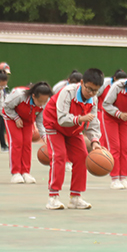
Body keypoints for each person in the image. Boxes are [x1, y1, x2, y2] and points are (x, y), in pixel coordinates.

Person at [43, 68, 104, 210]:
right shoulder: (67, 93)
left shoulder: (93, 99)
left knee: (82, 157)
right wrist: (80, 119)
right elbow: (62, 118)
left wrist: (95, 141)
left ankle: (75, 197)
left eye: (95, 90)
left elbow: (93, 122)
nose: (91, 93)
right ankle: (53, 197)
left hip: (74, 129)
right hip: (54, 125)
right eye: (89, 89)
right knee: (59, 156)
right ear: (82, 83)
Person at [3, 82, 51, 184]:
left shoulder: (45, 103)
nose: (42, 103)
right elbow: (6, 106)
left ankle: (25, 172)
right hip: (11, 116)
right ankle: (15, 173)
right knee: (17, 142)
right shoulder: (19, 95)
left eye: (45, 101)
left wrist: (44, 136)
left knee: (27, 144)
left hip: (28, 120)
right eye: (40, 101)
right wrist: (16, 118)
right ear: (33, 96)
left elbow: (40, 121)